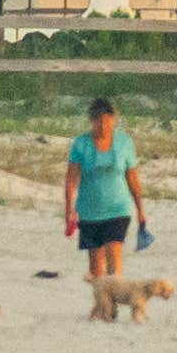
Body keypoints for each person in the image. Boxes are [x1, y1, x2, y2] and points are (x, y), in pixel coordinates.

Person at [66, 95, 139, 296]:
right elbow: (71, 179)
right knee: (96, 268)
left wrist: (140, 210)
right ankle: (102, 307)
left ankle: (114, 301)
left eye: (108, 121)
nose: (103, 126)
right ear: (92, 121)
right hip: (89, 211)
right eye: (99, 121)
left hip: (118, 209)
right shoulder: (81, 144)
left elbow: (132, 177)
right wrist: (69, 210)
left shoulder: (124, 142)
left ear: (114, 120)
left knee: (114, 255)